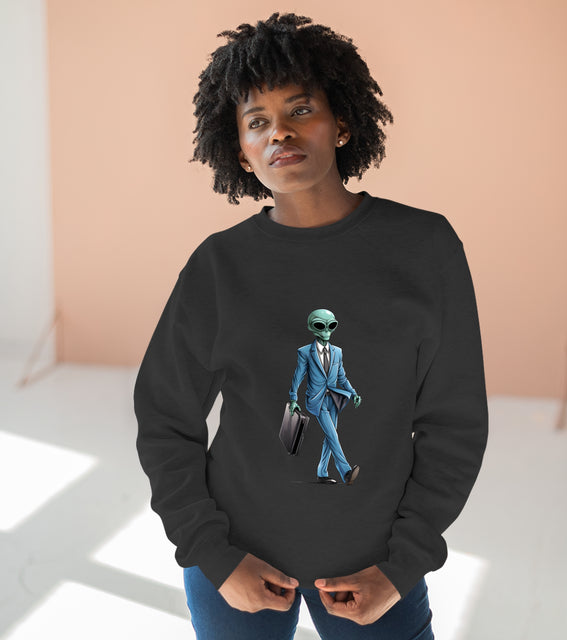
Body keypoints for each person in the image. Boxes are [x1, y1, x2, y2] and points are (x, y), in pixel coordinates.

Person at [133, 12, 489, 640]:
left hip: (375, 562)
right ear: (239, 151)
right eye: (257, 122)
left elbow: (454, 422)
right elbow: (166, 417)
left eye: (301, 110)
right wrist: (213, 555)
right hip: (235, 559)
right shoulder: (219, 265)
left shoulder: (424, 247)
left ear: (342, 123)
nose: (280, 132)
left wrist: (402, 565)